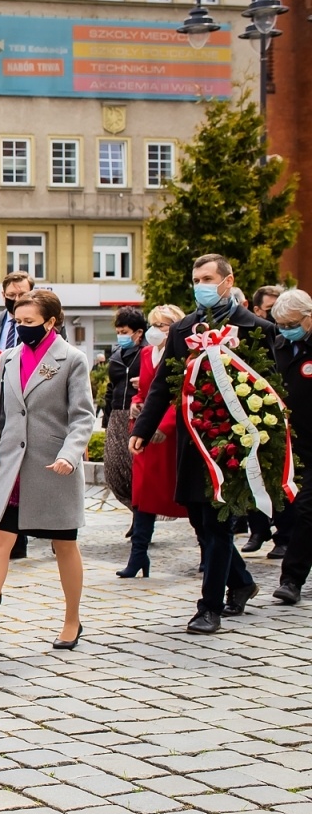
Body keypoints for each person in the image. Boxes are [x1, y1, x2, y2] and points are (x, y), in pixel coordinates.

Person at [132, 254, 278, 634]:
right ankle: (241, 582)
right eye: (197, 279)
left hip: (233, 443)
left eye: (208, 278)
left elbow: (271, 388)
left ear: (228, 281)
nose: (201, 285)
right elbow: (164, 384)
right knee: (200, 520)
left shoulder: (256, 328)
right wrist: (143, 429)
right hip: (192, 440)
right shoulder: (183, 329)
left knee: (219, 524)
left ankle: (209, 608)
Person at [0, 289, 96, 652]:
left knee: (64, 545)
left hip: (53, 468)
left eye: (29, 321)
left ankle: (72, 620)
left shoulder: (72, 359)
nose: (21, 327)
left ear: (50, 322)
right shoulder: (9, 358)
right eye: (18, 321)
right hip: (11, 470)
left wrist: (70, 455)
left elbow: (83, 417)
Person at [124, 304, 197, 578]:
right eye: (153, 325)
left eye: (162, 325)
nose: (156, 331)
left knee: (188, 497)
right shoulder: (146, 353)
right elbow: (148, 390)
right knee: (142, 496)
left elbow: (181, 394)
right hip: (146, 432)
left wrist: (164, 426)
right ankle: (138, 555)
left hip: (171, 434)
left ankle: (208, 550)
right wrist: (136, 402)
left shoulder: (186, 354)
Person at [0, 271, 36, 560]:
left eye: (21, 295)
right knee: (0, 471)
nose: (16, 300)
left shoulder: (43, 323)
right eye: (11, 296)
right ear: (3, 296)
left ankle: (32, 532)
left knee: (24, 470)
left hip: (28, 408)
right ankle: (7, 533)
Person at [269, 289, 312, 604]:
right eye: (281, 325)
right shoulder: (278, 346)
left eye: (292, 324)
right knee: (293, 510)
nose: (286, 330)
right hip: (288, 445)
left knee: (307, 511)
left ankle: (291, 580)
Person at [247, 284, 288, 555]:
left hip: (281, 419)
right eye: (271, 309)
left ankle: (284, 536)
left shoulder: (286, 339)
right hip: (253, 415)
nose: (277, 316)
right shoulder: (253, 336)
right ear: (257, 310)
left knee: (279, 479)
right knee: (252, 475)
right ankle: (258, 530)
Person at [101, 307, 146, 511]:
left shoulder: (147, 353)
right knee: (114, 467)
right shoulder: (116, 354)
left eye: (125, 332)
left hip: (137, 413)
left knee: (135, 466)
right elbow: (111, 387)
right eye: (118, 332)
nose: (121, 336)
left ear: (138, 332)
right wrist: (106, 418)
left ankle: (141, 513)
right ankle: (134, 508)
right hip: (117, 414)